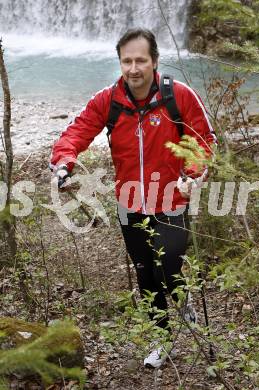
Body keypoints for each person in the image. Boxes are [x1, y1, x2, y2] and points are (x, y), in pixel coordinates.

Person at [50, 28, 217, 368]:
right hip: (129, 203)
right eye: (127, 61)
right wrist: (64, 164)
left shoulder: (177, 96)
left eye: (141, 60)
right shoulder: (108, 100)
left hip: (172, 199)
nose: (134, 68)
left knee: (167, 266)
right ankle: (163, 339)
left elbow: (203, 139)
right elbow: (76, 132)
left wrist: (193, 174)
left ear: (154, 61)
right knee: (145, 274)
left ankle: (185, 307)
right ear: (120, 62)